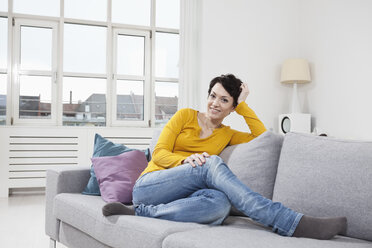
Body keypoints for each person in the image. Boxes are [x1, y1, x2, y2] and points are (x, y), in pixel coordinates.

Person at [103, 74, 347, 240]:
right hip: (150, 186)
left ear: (232, 107)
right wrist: (185, 160)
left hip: (180, 196)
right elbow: (159, 153)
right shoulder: (185, 116)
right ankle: (287, 220)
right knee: (210, 164)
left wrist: (243, 105)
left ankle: (143, 213)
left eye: (224, 100)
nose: (214, 103)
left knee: (220, 205)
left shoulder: (228, 134)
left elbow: (263, 136)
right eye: (212, 95)